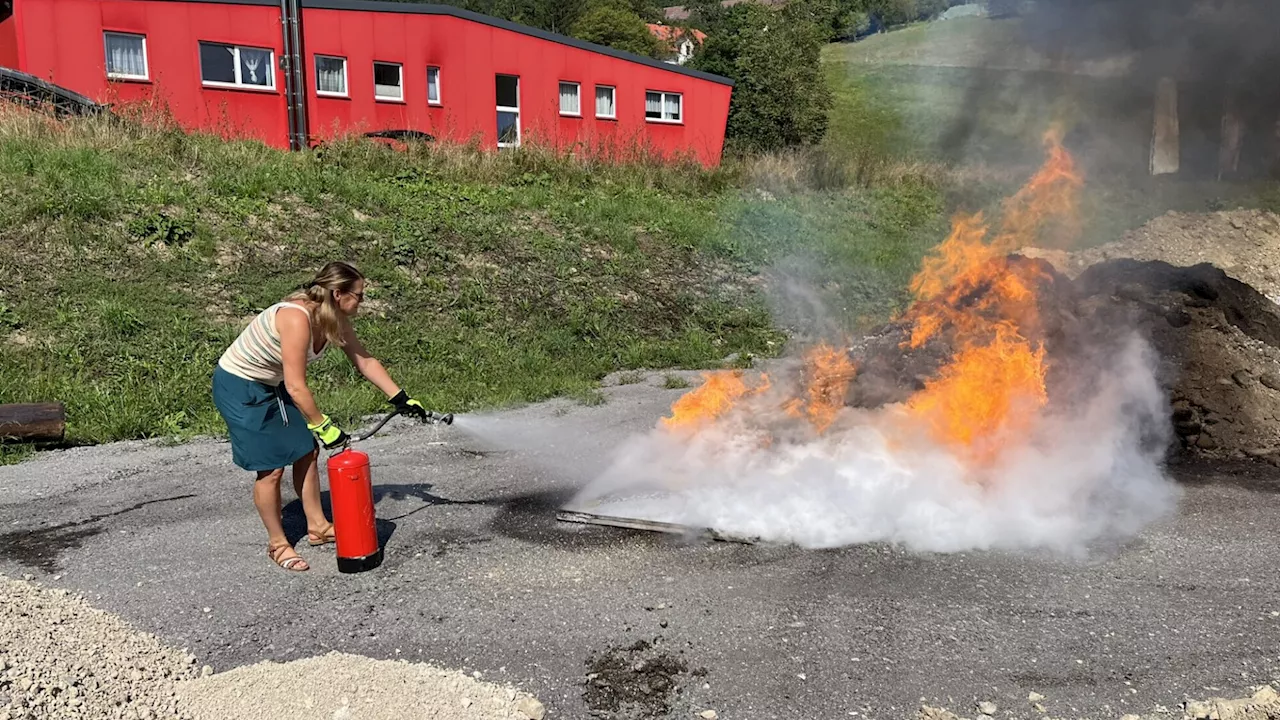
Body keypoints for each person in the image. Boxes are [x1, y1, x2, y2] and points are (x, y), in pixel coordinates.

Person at [211, 261, 429, 572]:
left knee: (306, 451)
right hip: (240, 386)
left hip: (272, 383)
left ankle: (317, 526)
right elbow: (296, 386)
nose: (362, 301)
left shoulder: (333, 319)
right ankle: (278, 543)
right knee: (270, 469)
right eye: (360, 295)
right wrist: (322, 424)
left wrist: (401, 397)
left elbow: (364, 360)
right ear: (339, 294)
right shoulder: (296, 318)